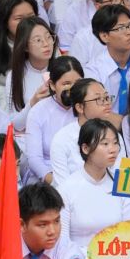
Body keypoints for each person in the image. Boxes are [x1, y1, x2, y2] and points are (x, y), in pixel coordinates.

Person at [58, 119, 130, 249]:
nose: (113, 150)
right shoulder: (66, 189)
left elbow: (129, 236)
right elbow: (62, 243)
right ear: (85, 148)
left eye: (115, 143)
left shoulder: (123, 186)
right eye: (105, 143)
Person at [25, 56, 84, 184]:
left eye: (78, 82)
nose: (73, 89)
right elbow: (35, 159)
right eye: (66, 84)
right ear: (52, 85)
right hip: (49, 176)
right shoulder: (38, 111)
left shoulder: (88, 108)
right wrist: (57, 183)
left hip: (82, 175)